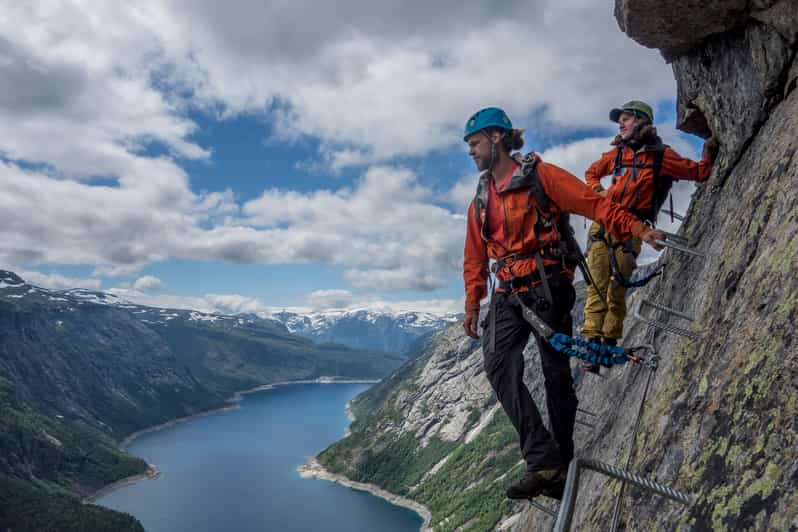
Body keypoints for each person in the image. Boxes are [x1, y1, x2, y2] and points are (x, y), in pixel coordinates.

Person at [461, 107, 666, 500]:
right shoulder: (480, 200)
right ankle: (543, 459)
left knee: (556, 377)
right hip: (508, 290)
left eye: (474, 143)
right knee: (498, 364)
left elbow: (595, 205)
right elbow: (474, 255)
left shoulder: (542, 176)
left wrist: (639, 228)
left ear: (496, 138)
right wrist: (473, 304)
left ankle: (561, 463)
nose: (471, 151)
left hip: (546, 284)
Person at [581, 100, 718, 374]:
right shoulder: (618, 154)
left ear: (642, 122)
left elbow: (699, 172)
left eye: (626, 119)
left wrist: (709, 147)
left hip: (632, 230)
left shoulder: (661, 156)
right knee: (596, 287)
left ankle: (606, 345)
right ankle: (591, 351)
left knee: (616, 288)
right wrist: (600, 192)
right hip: (603, 225)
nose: (621, 124)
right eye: (620, 120)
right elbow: (591, 173)